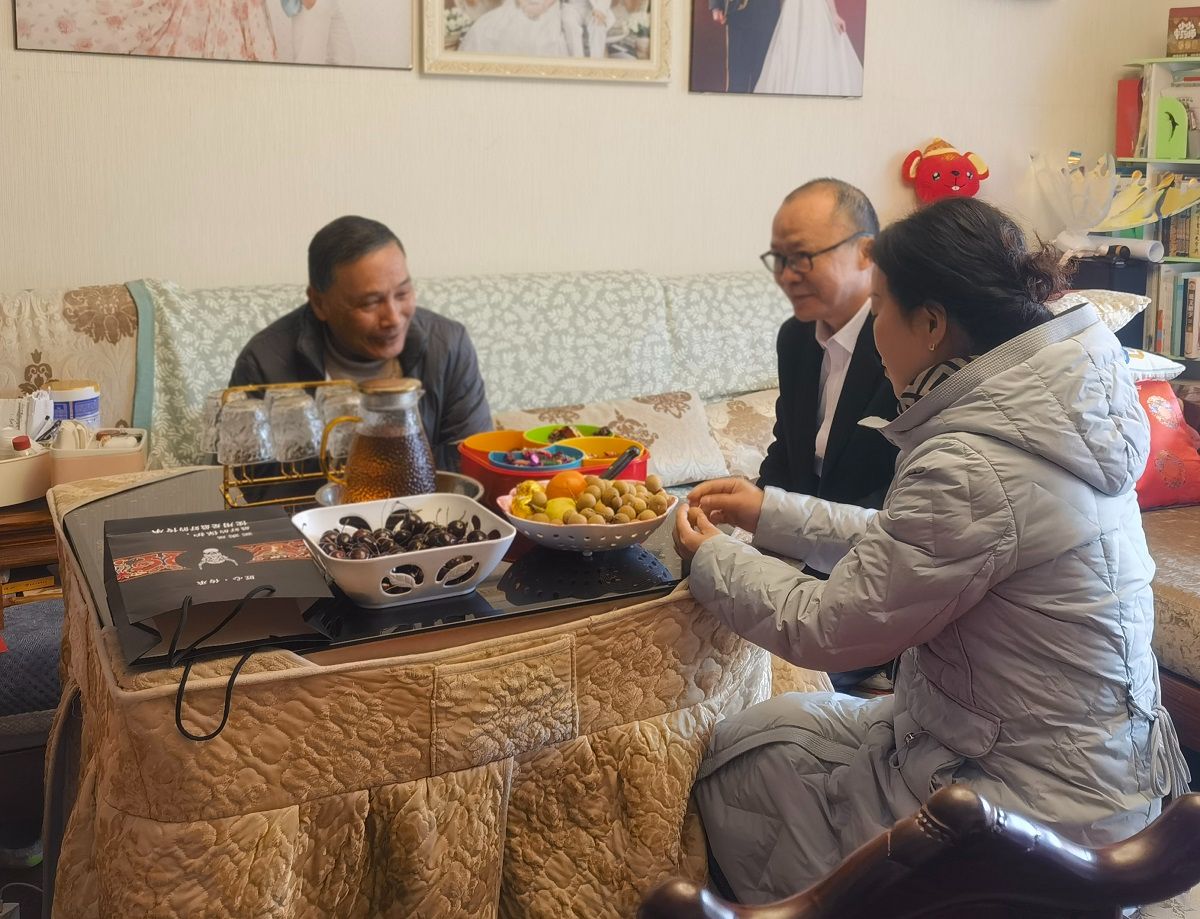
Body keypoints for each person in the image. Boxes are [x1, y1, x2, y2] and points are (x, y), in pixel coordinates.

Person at [674, 197, 1189, 905]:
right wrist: (772, 514)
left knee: (736, 774)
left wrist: (712, 559)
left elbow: (831, 626)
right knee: (768, 727)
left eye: (879, 307)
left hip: (1028, 811)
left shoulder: (974, 460)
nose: (871, 329)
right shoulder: (1060, 411)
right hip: (1098, 775)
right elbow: (915, 545)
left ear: (932, 323)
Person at [229, 216, 492, 471]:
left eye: (402, 293)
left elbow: (472, 461)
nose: (393, 318)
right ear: (319, 303)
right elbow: (253, 485)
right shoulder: (264, 363)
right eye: (370, 303)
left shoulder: (448, 345)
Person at [758, 179, 898, 577]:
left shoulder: (903, 342)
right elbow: (787, 449)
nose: (786, 276)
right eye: (779, 259)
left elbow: (902, 494)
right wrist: (752, 513)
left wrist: (784, 523)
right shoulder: (795, 337)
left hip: (873, 555)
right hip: (801, 544)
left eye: (802, 257)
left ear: (866, 252)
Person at [754, 0, 862, 96]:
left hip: (811, 10)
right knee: (790, 52)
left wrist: (834, 14)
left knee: (813, 51)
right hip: (793, 10)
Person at [709, 0, 781, 93]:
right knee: (737, 78)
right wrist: (716, 5)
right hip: (739, 12)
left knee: (763, 77)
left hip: (769, 13)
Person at [457, 0, 569, 58]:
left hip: (549, 7)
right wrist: (525, 5)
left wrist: (542, 6)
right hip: (519, 5)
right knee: (485, 30)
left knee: (545, 39)